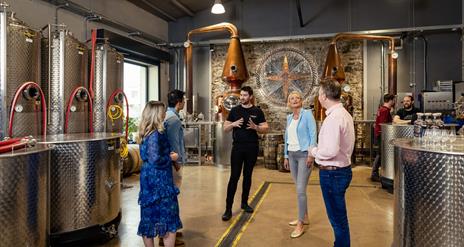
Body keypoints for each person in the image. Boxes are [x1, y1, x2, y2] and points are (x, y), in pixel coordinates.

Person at [309, 78, 355, 247]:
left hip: (332, 173)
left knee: (337, 219)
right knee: (339, 217)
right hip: (341, 170)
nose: (318, 96)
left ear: (324, 96)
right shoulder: (344, 114)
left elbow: (329, 151)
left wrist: (313, 151)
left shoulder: (334, 118)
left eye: (319, 93)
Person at [137, 101, 182, 247]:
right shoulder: (155, 134)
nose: (164, 114)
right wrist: (172, 157)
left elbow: (152, 155)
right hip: (159, 178)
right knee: (168, 215)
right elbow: (155, 159)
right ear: (157, 114)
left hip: (148, 178)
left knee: (149, 216)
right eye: (162, 111)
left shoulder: (146, 132)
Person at [221, 86, 269, 221]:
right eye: (241, 95)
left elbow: (265, 128)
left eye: (245, 95)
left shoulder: (257, 111)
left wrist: (256, 127)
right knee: (234, 177)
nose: (242, 98)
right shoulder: (235, 110)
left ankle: (244, 203)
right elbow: (225, 128)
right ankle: (228, 209)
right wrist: (234, 124)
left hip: (252, 148)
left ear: (251, 96)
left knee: (247, 176)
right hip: (237, 148)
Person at [283, 91, 317, 238]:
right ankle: (305, 216)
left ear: (301, 101)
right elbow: (287, 138)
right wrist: (285, 156)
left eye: (297, 97)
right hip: (291, 155)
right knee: (299, 188)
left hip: (304, 155)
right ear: (288, 103)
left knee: (300, 190)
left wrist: (311, 154)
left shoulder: (308, 114)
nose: (294, 99)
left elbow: (313, 134)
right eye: (291, 98)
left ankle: (300, 224)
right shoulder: (289, 117)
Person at [164, 90, 186, 246]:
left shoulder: (169, 116)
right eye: (183, 100)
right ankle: (167, 235)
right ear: (179, 101)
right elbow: (173, 144)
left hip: (170, 163)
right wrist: (177, 164)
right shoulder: (173, 119)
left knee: (170, 198)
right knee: (171, 198)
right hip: (172, 164)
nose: (184, 102)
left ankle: (171, 231)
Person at [371, 93, 395, 182]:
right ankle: (374, 173)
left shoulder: (381, 109)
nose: (394, 102)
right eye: (393, 100)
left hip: (379, 134)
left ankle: (376, 173)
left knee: (380, 154)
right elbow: (383, 124)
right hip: (382, 135)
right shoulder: (385, 110)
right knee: (380, 154)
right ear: (391, 100)